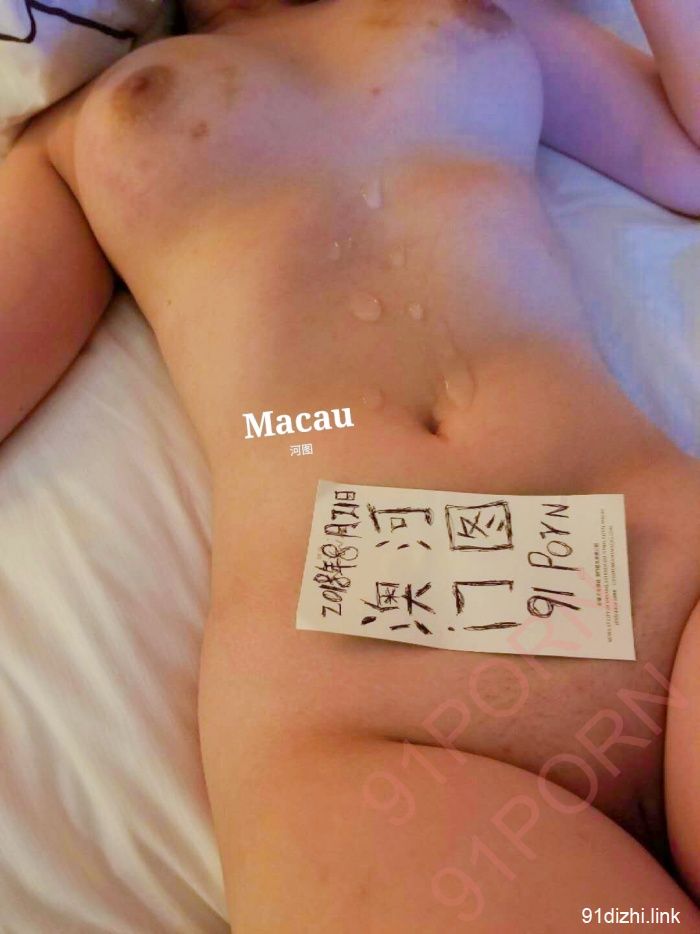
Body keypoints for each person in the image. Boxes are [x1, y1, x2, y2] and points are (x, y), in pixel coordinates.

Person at [1, 0, 699, 928]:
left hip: (672, 579)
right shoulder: (81, 124)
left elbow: (687, 162)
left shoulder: (482, 16)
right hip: (370, 718)